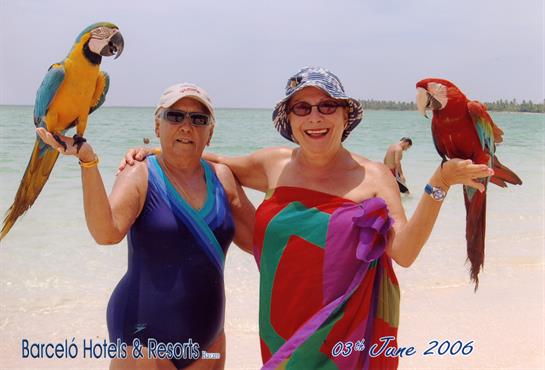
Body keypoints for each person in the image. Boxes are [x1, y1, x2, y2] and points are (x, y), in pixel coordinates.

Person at [121, 67, 492, 369]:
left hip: (347, 339)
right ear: (290, 119)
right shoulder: (273, 164)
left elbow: (405, 252)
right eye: (302, 108)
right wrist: (151, 154)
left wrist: (439, 183)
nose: (315, 117)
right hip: (282, 329)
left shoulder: (375, 177)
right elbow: (207, 159)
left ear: (345, 116)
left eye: (327, 106)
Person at [37, 83, 255, 370]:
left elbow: (262, 244)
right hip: (142, 338)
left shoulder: (222, 178)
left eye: (198, 119)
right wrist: (88, 161)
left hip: (209, 340)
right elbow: (106, 233)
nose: (186, 126)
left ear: (210, 132)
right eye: (175, 116)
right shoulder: (140, 173)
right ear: (157, 126)